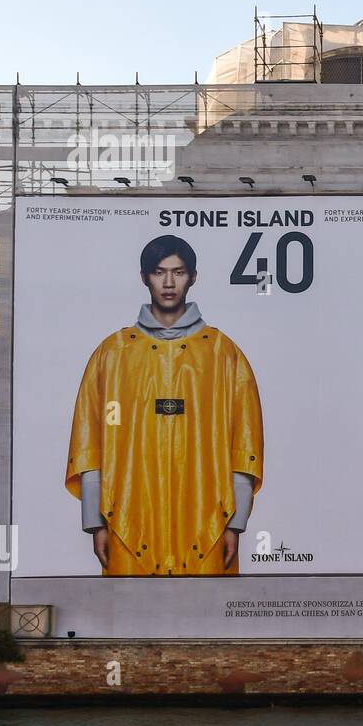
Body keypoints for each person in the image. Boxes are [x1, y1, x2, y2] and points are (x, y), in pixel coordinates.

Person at [64, 235, 264, 576]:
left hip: (210, 522)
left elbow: (243, 446)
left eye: (179, 272)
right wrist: (96, 522)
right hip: (126, 519)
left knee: (207, 621)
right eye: (159, 272)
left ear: (193, 277)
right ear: (144, 276)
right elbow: (92, 442)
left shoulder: (223, 354)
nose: (169, 283)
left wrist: (236, 523)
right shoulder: (112, 355)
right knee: (131, 619)